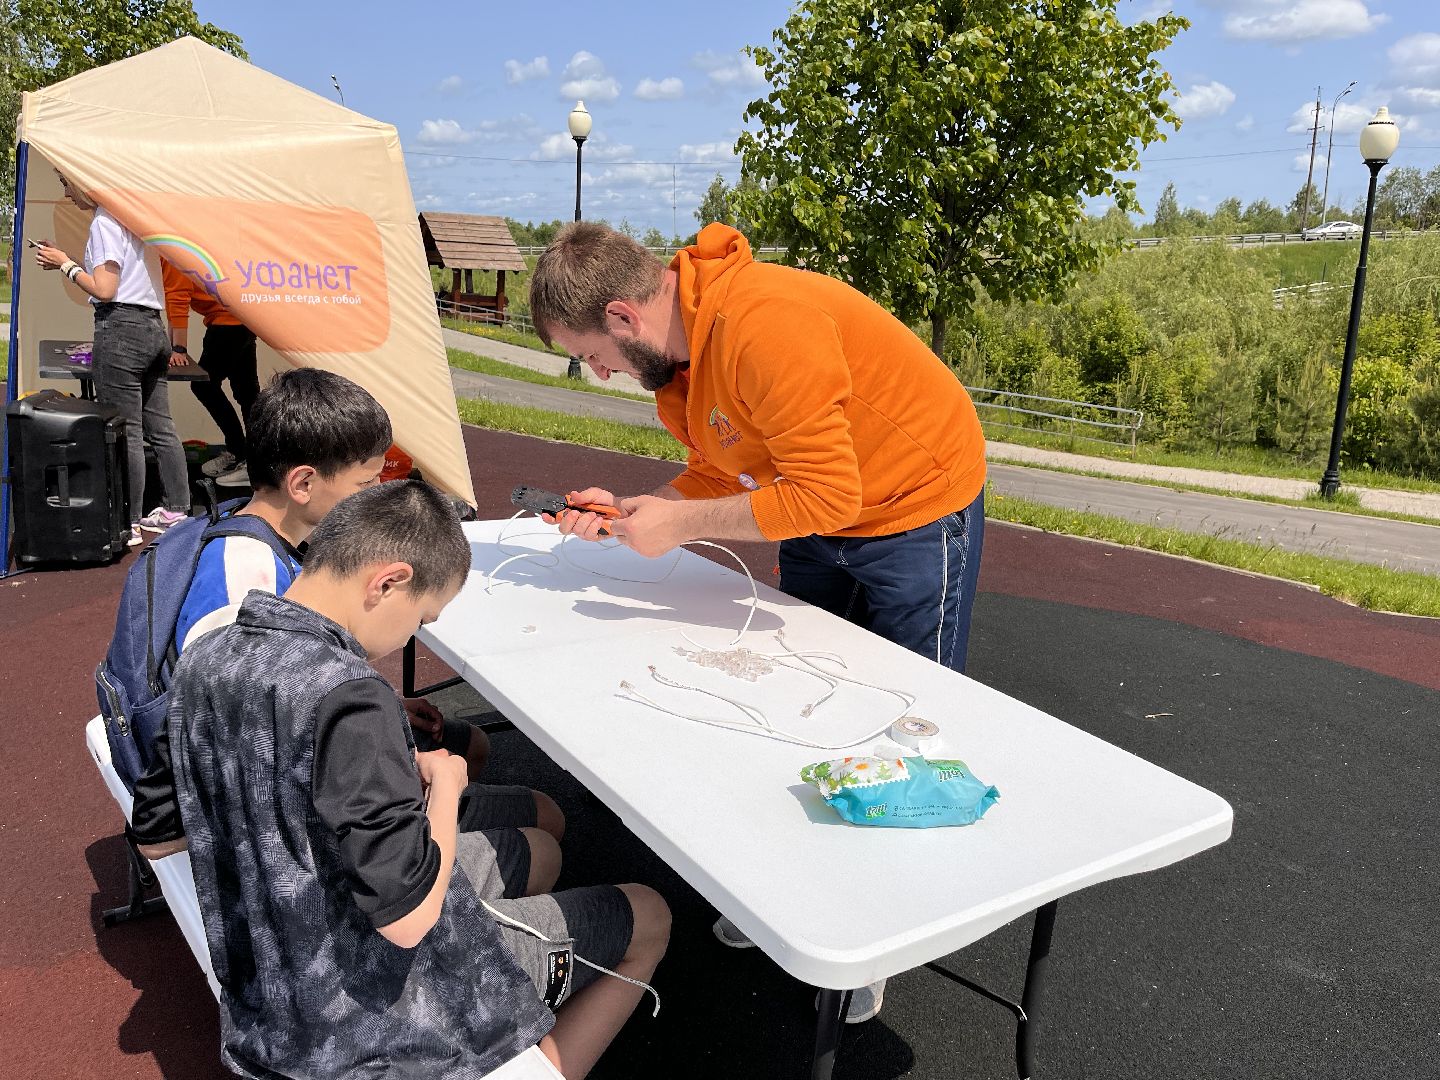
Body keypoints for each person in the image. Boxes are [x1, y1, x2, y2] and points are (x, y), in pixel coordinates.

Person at [529, 221, 988, 1022]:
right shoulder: (676, 366)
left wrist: (680, 526)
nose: (599, 373)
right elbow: (723, 471)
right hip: (816, 505)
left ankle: (873, 936)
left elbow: (828, 495)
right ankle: (792, 893)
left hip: (914, 505)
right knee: (797, 692)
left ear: (623, 316)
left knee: (906, 722)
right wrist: (644, 510)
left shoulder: (763, 327)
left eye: (593, 355)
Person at [169, 480, 670, 1080]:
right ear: (388, 582)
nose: (411, 636)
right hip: (365, 1021)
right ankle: (523, 1064)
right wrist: (447, 786)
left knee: (539, 847)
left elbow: (170, 826)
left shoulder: (207, 653)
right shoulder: (349, 694)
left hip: (271, 977)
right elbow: (408, 921)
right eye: (421, 617)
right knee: (649, 913)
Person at [131, 369, 534, 876]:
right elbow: (225, 730)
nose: (375, 495)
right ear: (303, 483)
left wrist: (384, 706)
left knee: (469, 745)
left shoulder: (265, 534)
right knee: (525, 818)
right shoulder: (245, 580)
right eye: (365, 484)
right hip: (284, 824)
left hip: (301, 752)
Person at [35, 174, 192, 546]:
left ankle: (128, 520)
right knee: (161, 427)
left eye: (67, 182)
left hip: (121, 329)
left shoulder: (104, 222)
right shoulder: (135, 219)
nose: (66, 192)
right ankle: (177, 509)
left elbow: (105, 290)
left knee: (126, 431)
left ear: (86, 183)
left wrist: (65, 264)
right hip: (153, 328)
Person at [162, 259, 259, 487]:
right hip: (242, 320)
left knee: (204, 385)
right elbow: (174, 305)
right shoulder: (172, 253)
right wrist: (171, 348)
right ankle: (251, 460)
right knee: (247, 393)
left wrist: (179, 349)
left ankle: (246, 458)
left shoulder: (171, 254)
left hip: (228, 324)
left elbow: (178, 300)